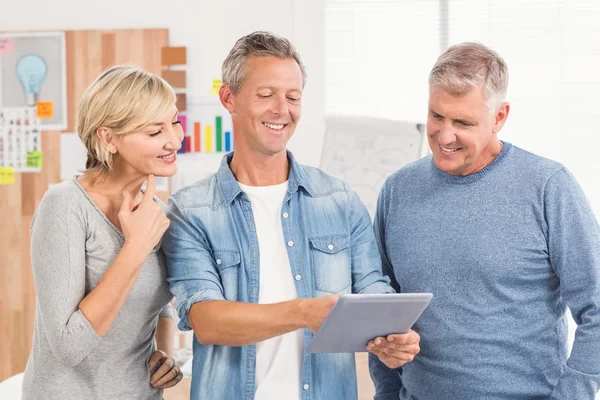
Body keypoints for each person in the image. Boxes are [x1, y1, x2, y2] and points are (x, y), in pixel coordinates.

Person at [162, 31, 420, 400]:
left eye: (293, 97)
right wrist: (303, 312)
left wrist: (394, 338)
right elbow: (207, 321)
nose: (281, 109)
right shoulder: (191, 210)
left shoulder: (339, 199)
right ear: (229, 98)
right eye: (266, 95)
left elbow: (372, 291)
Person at [369, 42, 600, 399]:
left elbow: (596, 310)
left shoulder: (548, 187)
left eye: (462, 122)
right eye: (436, 116)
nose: (445, 136)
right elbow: (380, 310)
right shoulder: (398, 191)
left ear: (499, 117)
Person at [22, 65, 185, 399]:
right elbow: (68, 346)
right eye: (155, 132)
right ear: (108, 138)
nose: (173, 140)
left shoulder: (154, 212)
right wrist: (135, 248)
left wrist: (165, 352)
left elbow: (159, 303)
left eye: (174, 122)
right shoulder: (66, 205)